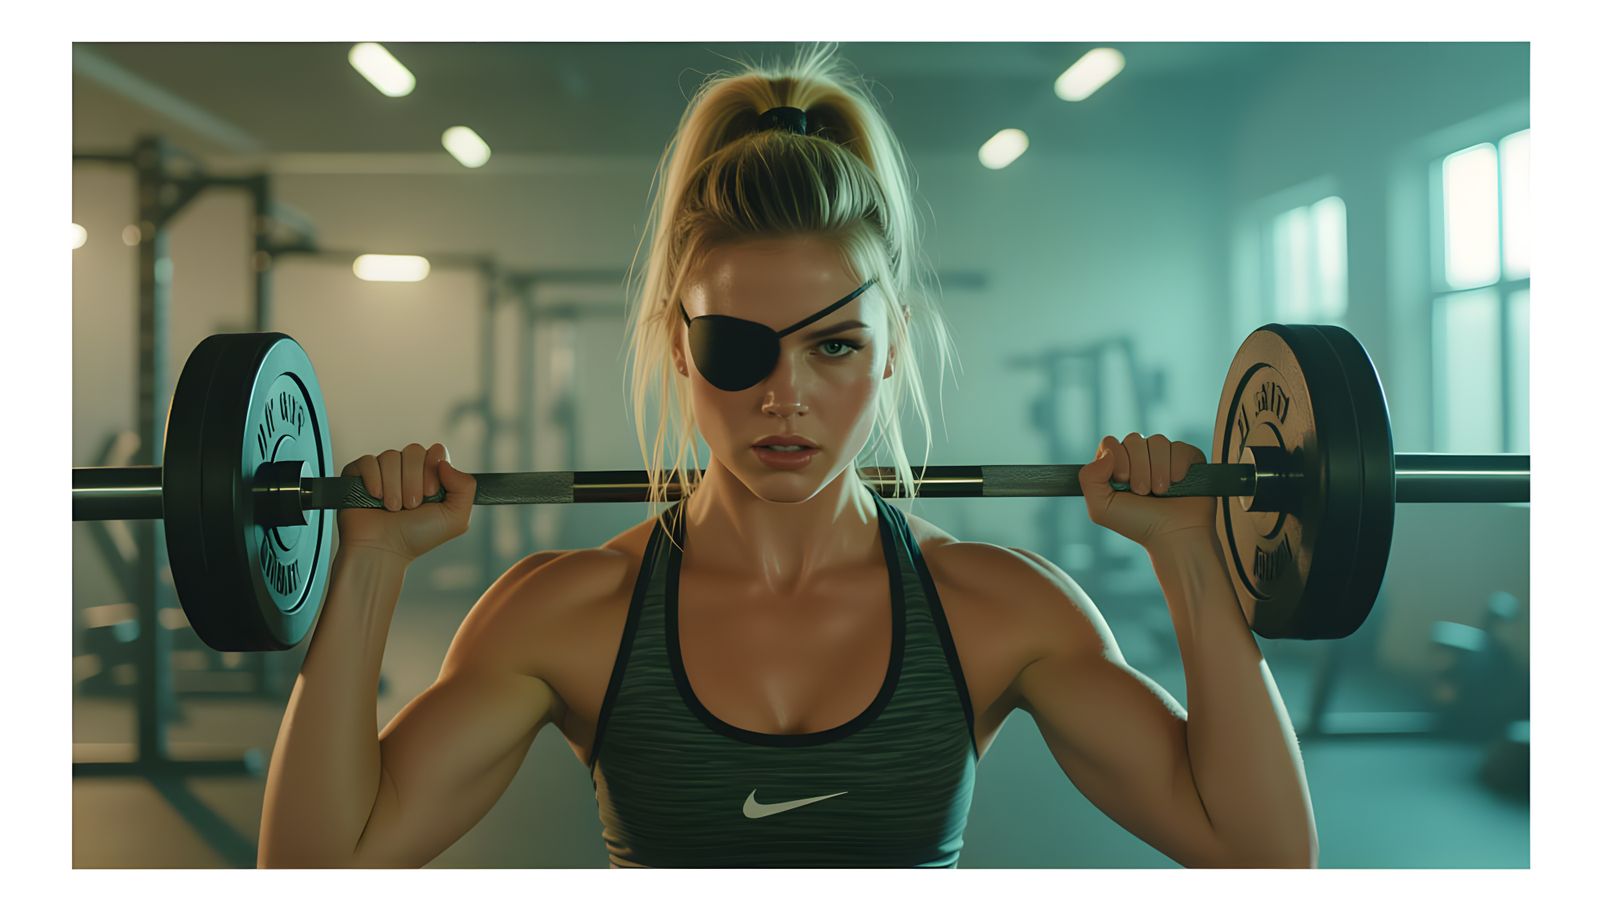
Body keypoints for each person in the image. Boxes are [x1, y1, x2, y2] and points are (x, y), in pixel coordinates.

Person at [257, 44, 1316, 869]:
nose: (784, 396)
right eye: (736, 347)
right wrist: (368, 569)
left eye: (835, 344)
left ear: (891, 345)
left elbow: (1260, 853)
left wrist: (1188, 552)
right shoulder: (568, 612)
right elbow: (316, 864)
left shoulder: (993, 607)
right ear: (678, 343)